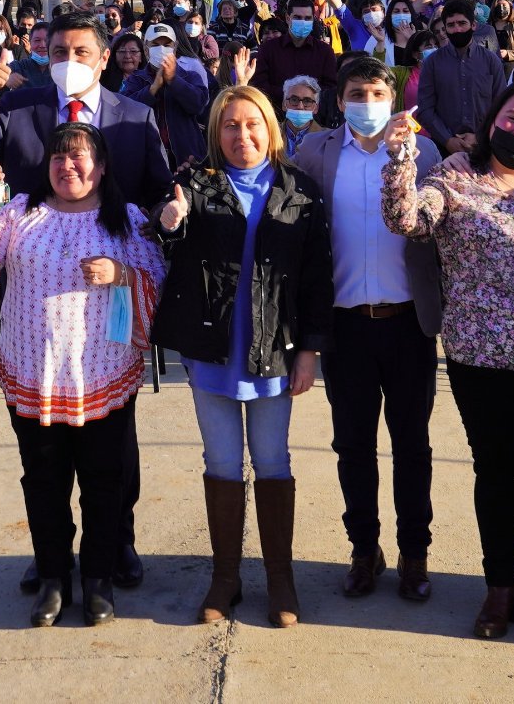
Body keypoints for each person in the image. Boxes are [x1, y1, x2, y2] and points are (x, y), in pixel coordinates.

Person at [0, 11, 168, 588]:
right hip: (34, 295)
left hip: (110, 300)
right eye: (59, 51)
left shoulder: (135, 116)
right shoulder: (22, 106)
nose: (69, 62)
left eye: (81, 52)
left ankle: (117, 541)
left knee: (113, 442)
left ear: (102, 56)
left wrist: (145, 244)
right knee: (45, 456)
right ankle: (52, 557)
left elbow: (159, 195)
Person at [382, 83, 514, 644]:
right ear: (492, 120)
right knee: (495, 474)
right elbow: (407, 219)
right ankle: (500, 586)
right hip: (478, 358)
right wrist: (401, 154)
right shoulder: (454, 179)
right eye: (513, 118)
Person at [153, 84, 333, 629]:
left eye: (252, 124)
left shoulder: (299, 189)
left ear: (271, 128)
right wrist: (169, 223)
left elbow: (315, 278)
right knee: (222, 464)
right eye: (230, 126)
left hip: (274, 351)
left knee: (273, 461)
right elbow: (165, 246)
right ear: (215, 132)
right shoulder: (194, 184)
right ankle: (225, 577)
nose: (241, 135)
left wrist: (310, 351)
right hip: (212, 352)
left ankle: (281, 578)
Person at [293, 57, 443, 602]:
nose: (367, 101)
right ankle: (364, 550)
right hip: (345, 326)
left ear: (393, 95)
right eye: (357, 92)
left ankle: (414, 553)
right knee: (353, 445)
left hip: (409, 324)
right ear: (341, 100)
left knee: (413, 446)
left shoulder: (423, 153)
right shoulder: (317, 152)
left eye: (377, 91)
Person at [416, 0, 510, 155]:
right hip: (444, 150)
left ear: (473, 25)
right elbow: (425, 109)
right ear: (445, 29)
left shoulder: (491, 61)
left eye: (462, 23)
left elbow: (502, 106)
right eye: (451, 25)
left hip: (484, 147)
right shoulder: (432, 63)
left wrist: (479, 137)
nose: (457, 29)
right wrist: (447, 139)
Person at [118, 25, 211, 170]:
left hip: (186, 158)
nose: (161, 49)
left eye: (167, 45)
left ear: (175, 47)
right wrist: (153, 88)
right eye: (155, 45)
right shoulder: (135, 80)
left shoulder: (191, 76)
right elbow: (126, 111)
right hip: (148, 159)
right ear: (146, 48)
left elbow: (198, 105)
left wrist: (174, 80)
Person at [279, 75, 328, 156]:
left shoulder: (328, 138)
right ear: (284, 104)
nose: (300, 107)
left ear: (316, 108)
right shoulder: (270, 132)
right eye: (294, 100)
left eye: (307, 101)